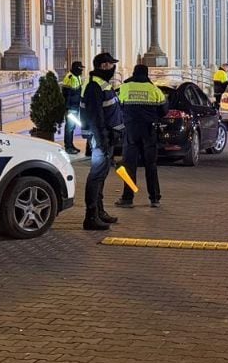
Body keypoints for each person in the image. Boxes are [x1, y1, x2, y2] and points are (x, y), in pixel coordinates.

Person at [79, 52, 125, 230]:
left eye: (112, 65)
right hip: (100, 139)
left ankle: (99, 211)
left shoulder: (103, 84)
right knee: (96, 176)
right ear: (101, 66)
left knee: (102, 176)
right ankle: (91, 216)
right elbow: (95, 116)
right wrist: (102, 139)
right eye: (109, 65)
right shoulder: (93, 86)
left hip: (107, 137)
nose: (112, 68)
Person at [116, 64, 167, 209]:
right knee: (151, 165)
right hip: (149, 132)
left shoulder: (125, 87)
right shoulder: (153, 89)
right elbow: (164, 110)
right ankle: (154, 198)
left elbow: (117, 107)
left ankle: (127, 198)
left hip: (130, 131)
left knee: (129, 167)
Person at [60, 61, 84, 154]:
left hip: (76, 106)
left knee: (72, 127)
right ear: (76, 68)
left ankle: (71, 145)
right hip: (70, 107)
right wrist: (67, 108)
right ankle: (68, 147)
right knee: (69, 127)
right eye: (80, 68)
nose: (81, 70)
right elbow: (66, 94)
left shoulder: (77, 76)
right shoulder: (69, 77)